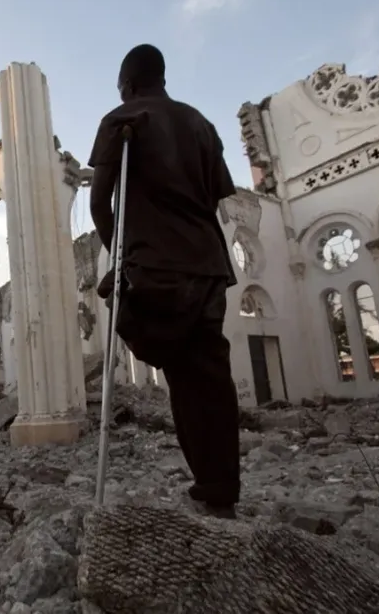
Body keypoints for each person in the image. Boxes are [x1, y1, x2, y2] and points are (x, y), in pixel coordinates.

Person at [88, 43, 241, 519]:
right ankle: (218, 488)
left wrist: (121, 254)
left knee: (175, 364)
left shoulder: (122, 118)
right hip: (208, 264)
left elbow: (99, 203)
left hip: (155, 266)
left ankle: (211, 487)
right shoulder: (200, 124)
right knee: (206, 375)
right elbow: (213, 197)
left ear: (128, 84)